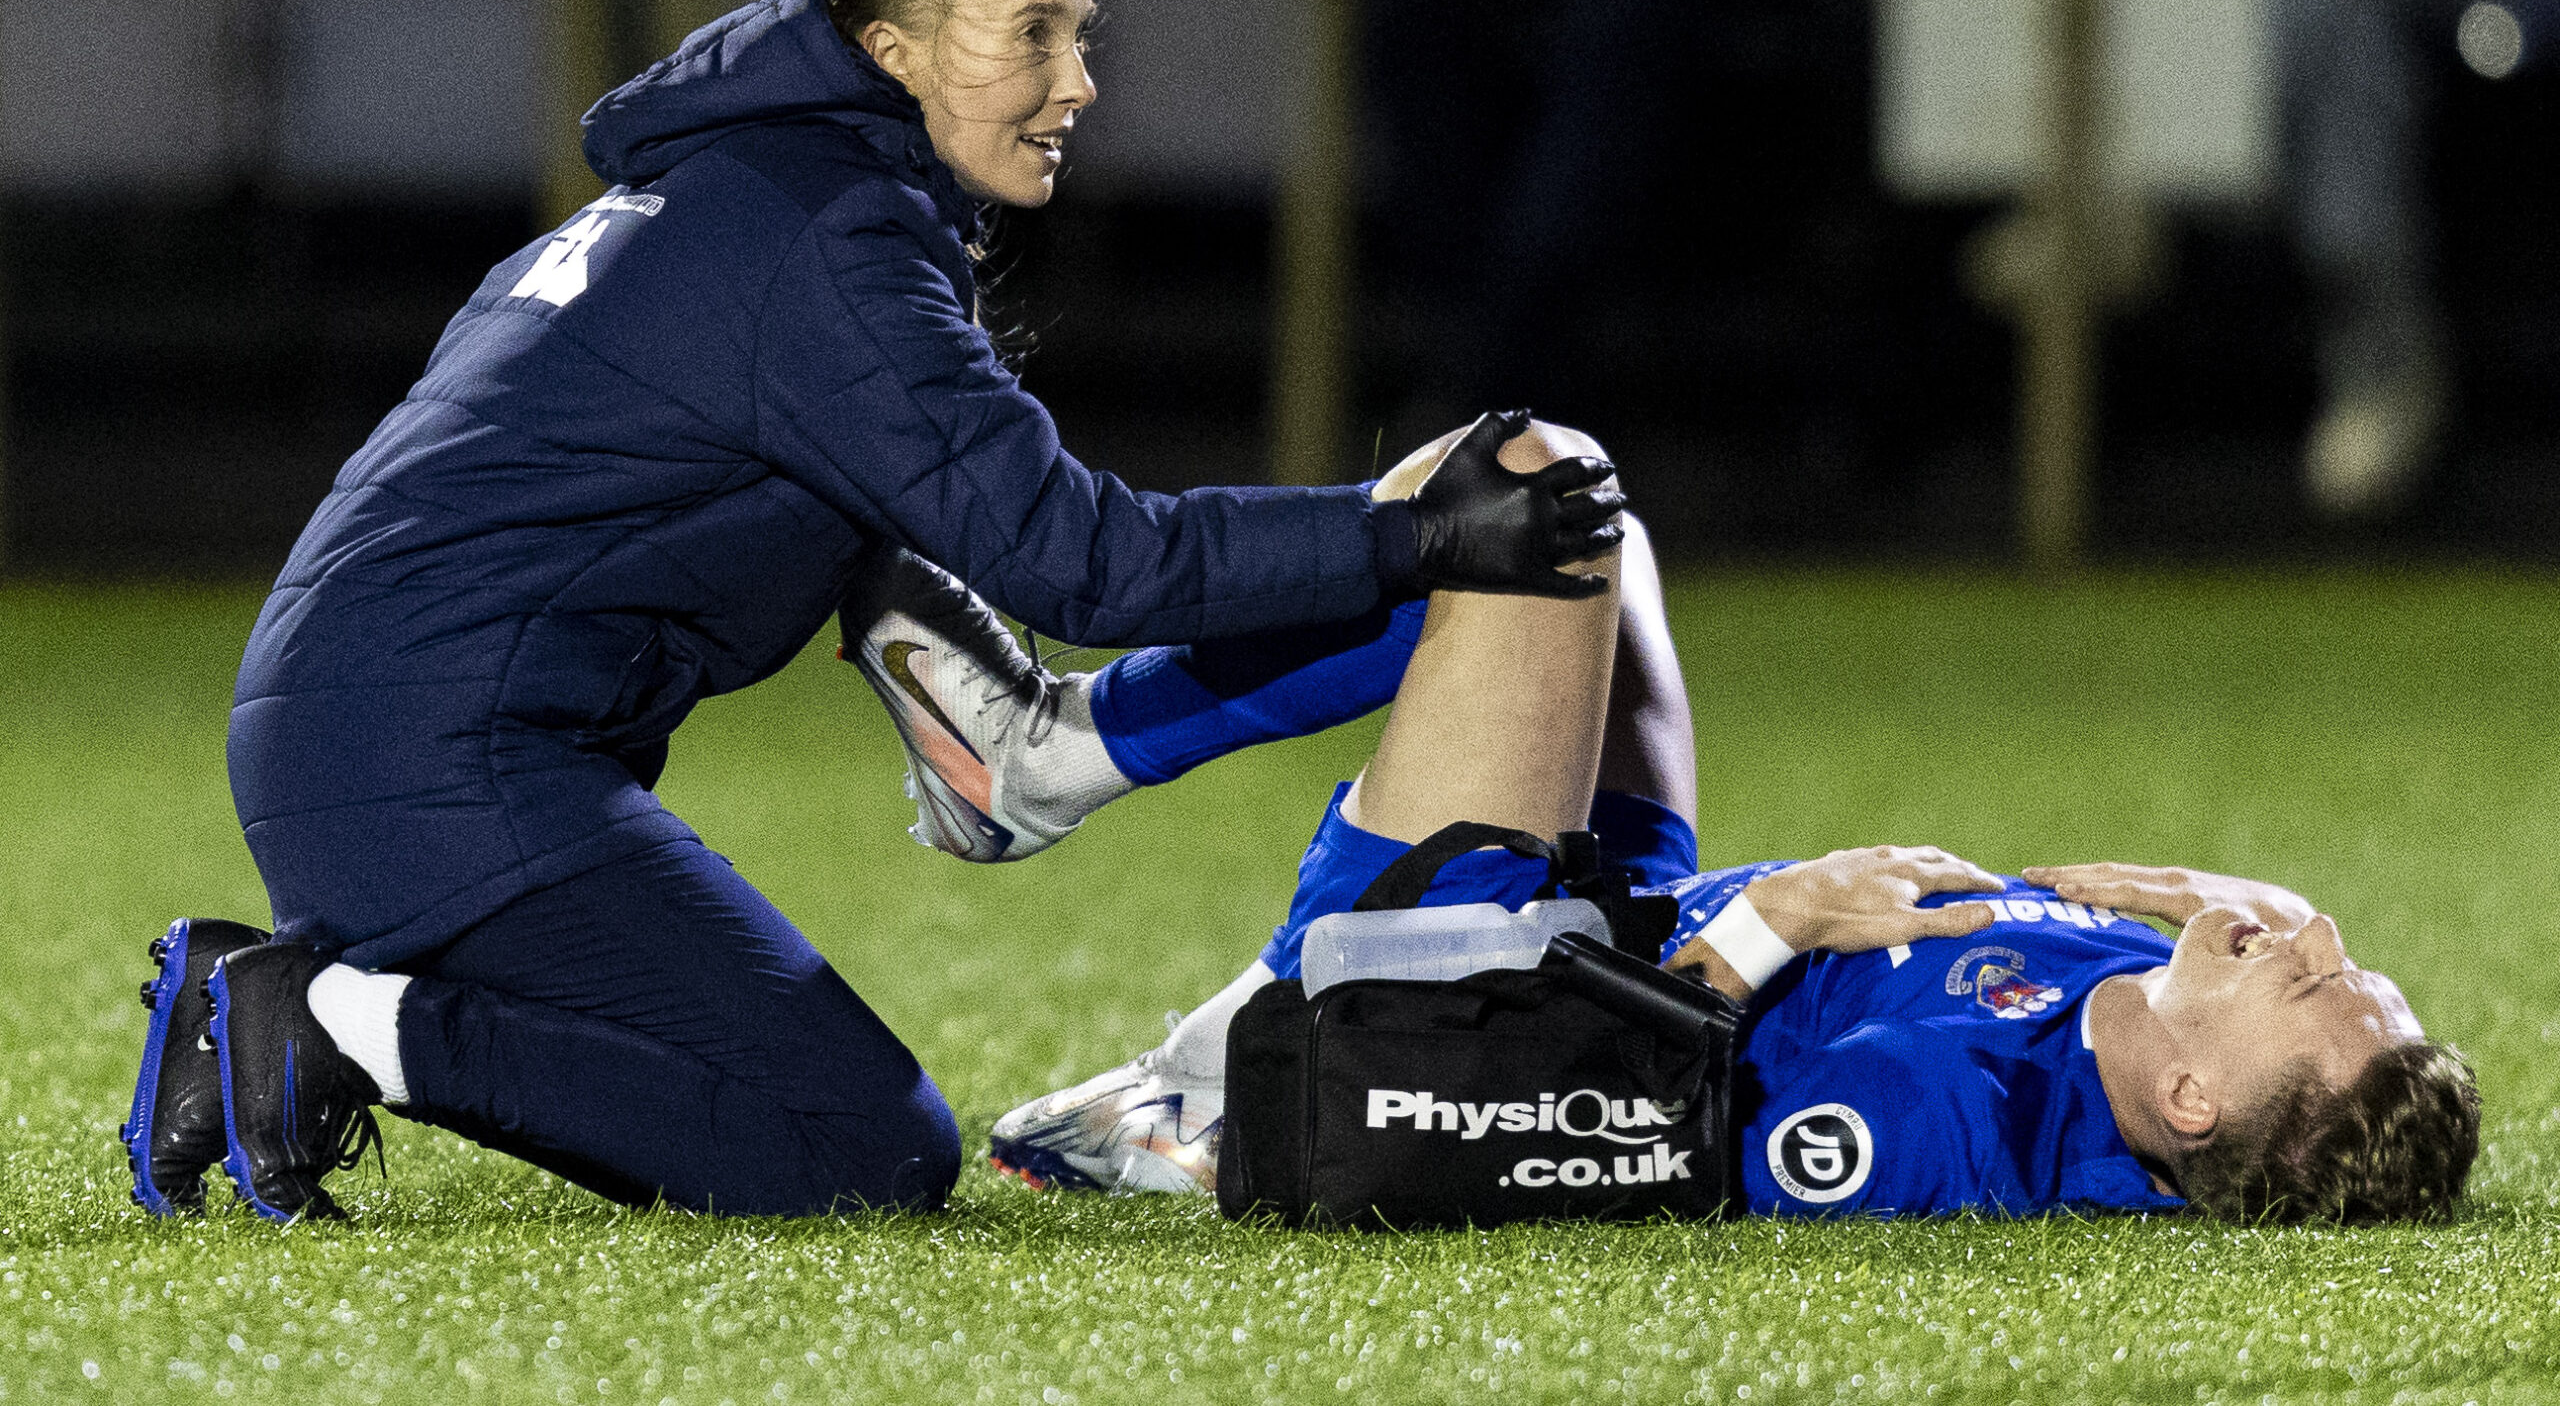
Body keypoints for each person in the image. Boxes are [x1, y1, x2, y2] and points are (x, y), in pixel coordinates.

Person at [118, 0, 1627, 1226]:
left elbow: (818, 497)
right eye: (1031, 30)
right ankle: (313, 1020)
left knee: (779, 1098)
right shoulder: (825, 237)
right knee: (858, 1148)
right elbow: (1085, 559)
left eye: (1080, 31)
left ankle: (324, 1010)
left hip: (386, 740)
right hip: (438, 768)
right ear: (888, 50)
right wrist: (1408, 538)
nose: (1078, 77)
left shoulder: (732, 191)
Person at [846, 425, 2479, 1222]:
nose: (2317, 934)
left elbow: (1618, 1125)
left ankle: (1048, 764)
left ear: (2191, 1098)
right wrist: (2250, 934)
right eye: (2353, 955)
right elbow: (2283, 1062)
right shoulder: (2165, 1034)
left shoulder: (1932, 1122)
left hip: (1488, 990)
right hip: (1621, 909)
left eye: (2310, 983)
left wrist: (1770, 930)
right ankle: (1193, 1050)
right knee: (1591, 536)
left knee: (1525, 494)